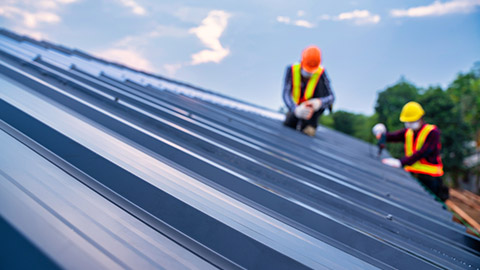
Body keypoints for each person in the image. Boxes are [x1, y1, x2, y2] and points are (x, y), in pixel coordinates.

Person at [372, 101, 449, 201]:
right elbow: (392, 136)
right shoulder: (408, 132)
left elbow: (424, 151)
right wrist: (380, 134)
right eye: (407, 122)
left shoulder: (432, 132)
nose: (409, 124)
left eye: (412, 121)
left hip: (430, 178)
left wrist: (400, 162)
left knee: (429, 203)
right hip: (412, 175)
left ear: (420, 118)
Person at [282, 45, 335, 136]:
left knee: (307, 131)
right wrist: (295, 109)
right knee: (289, 125)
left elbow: (331, 97)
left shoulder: (321, 74)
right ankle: (293, 117)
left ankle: (310, 125)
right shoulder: (292, 70)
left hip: (312, 113)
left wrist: (319, 102)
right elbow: (285, 94)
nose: (309, 73)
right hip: (296, 109)